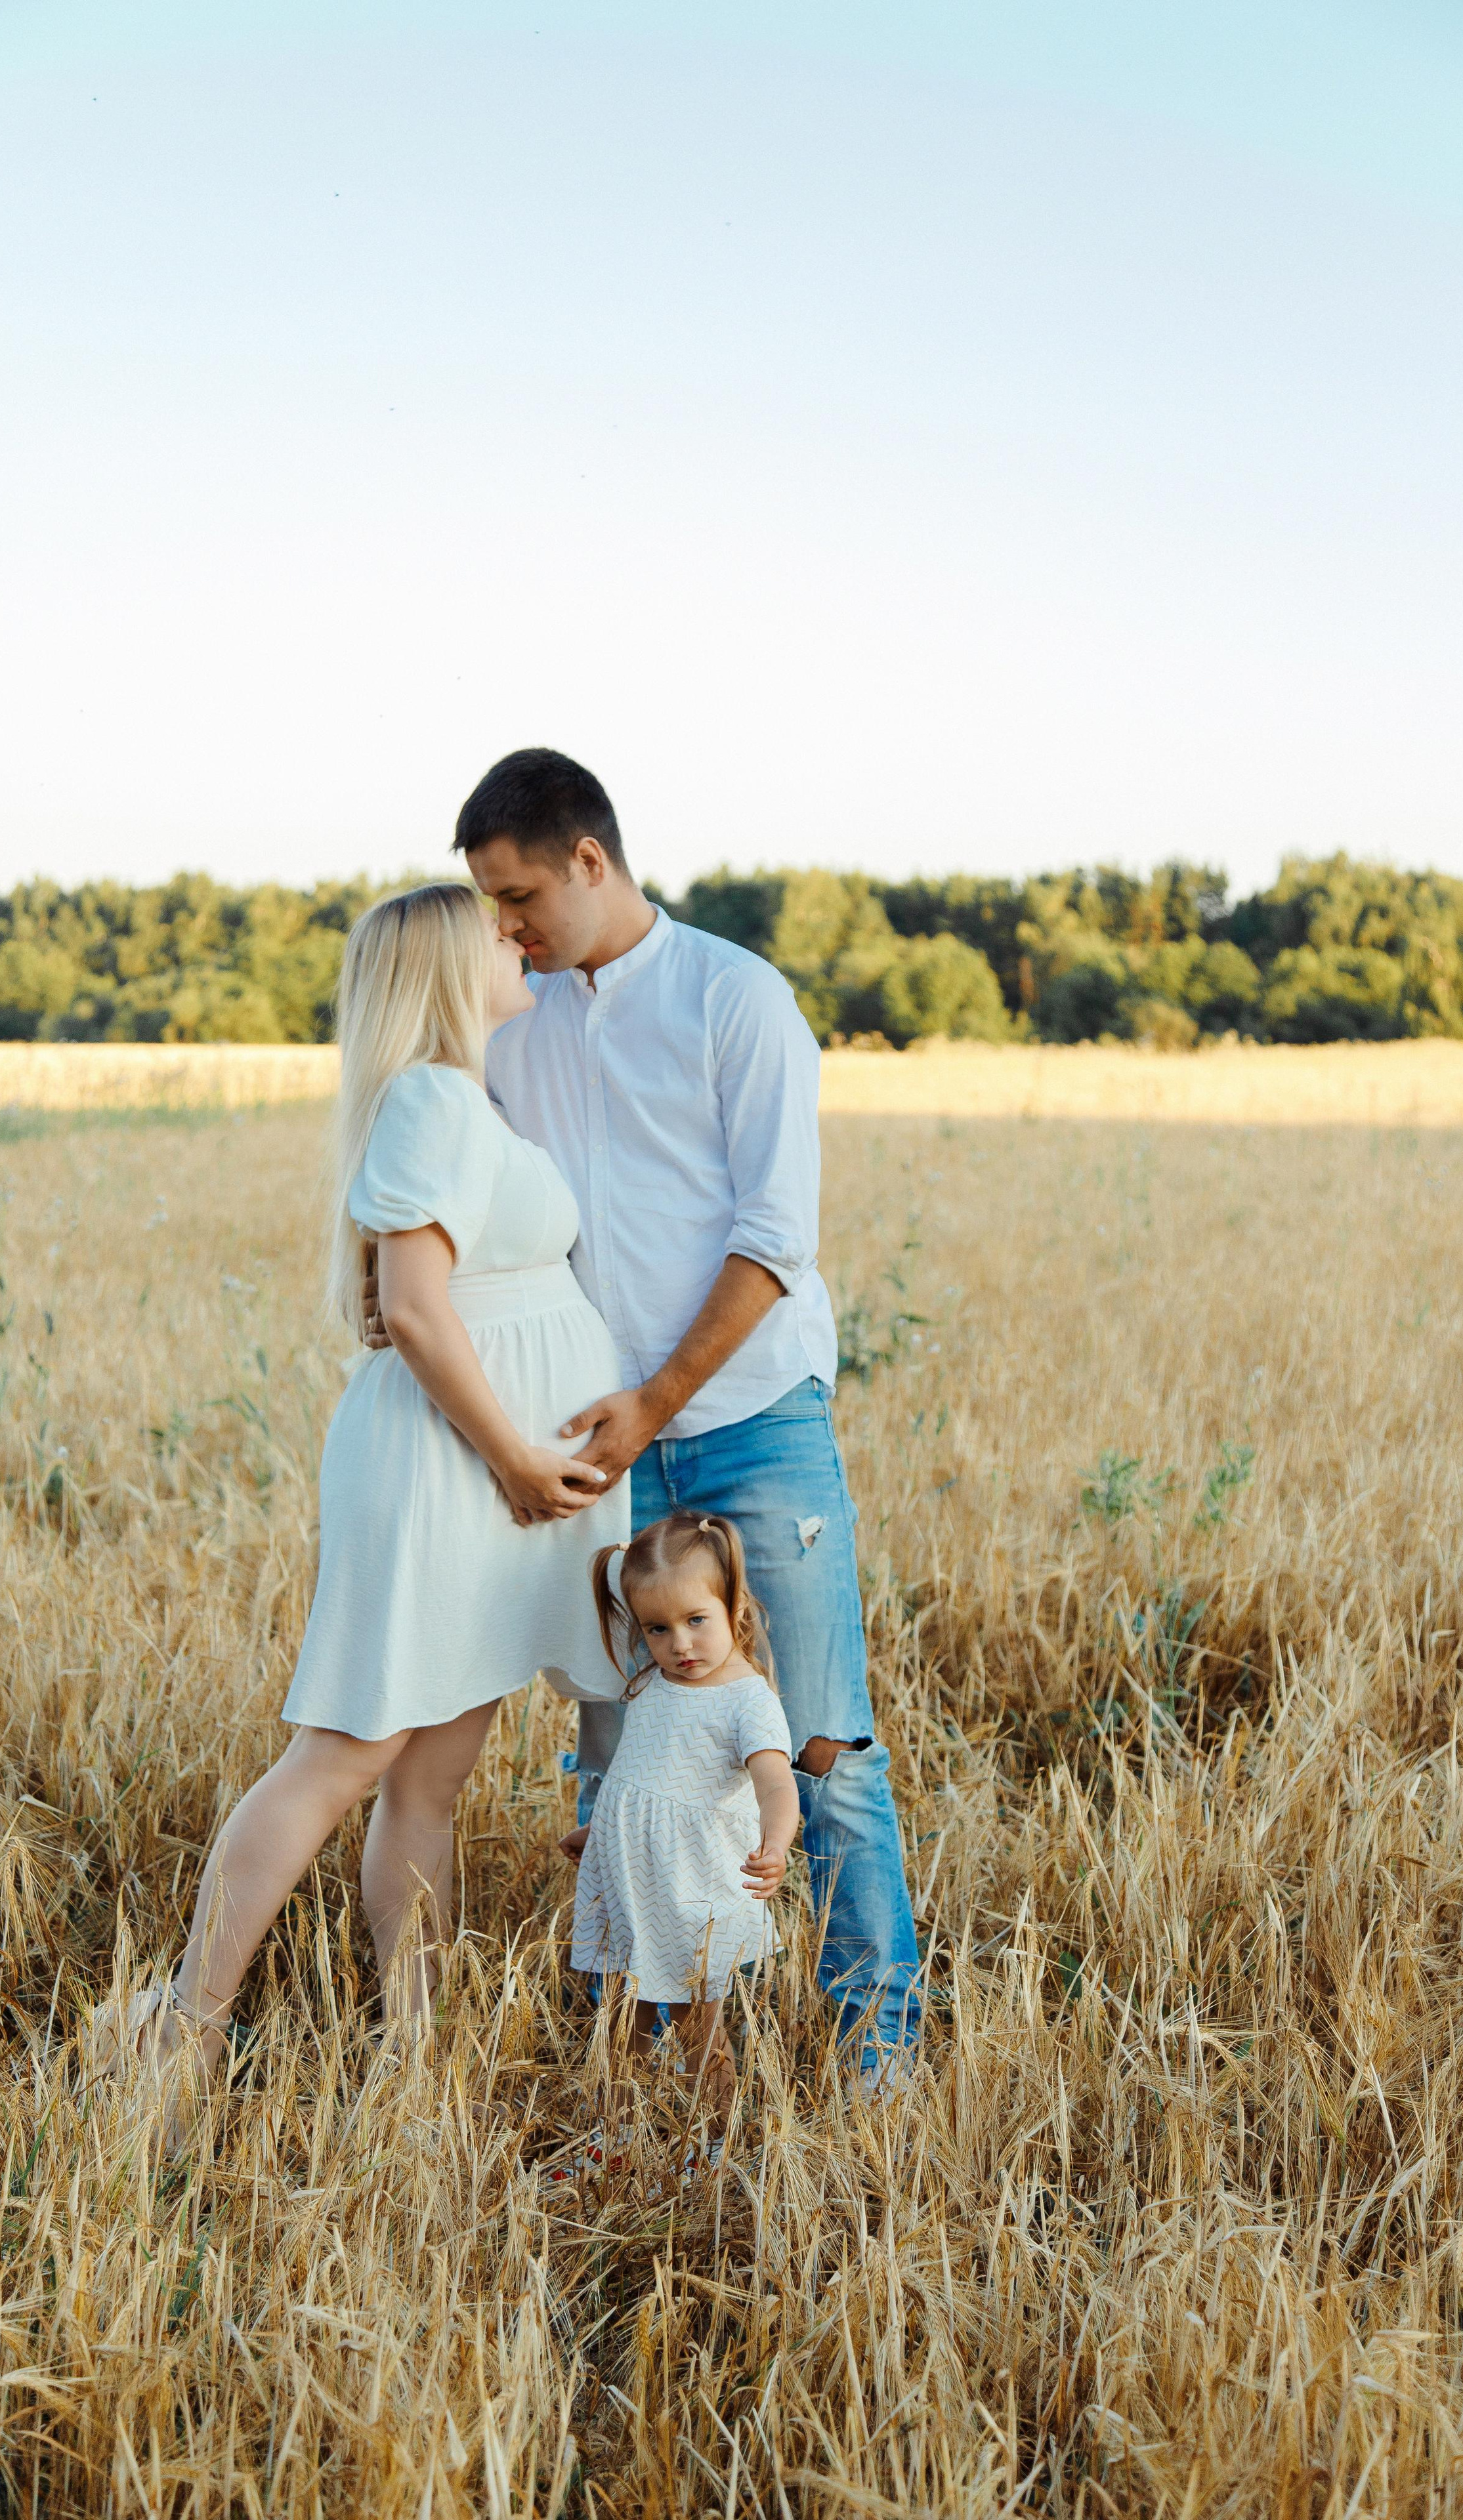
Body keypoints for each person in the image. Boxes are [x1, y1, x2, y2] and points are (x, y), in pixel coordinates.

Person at [383, 746, 922, 2078]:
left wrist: (657, 1401)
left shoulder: (737, 1000)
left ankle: (877, 2048)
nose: (502, 929)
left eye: (519, 897)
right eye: (487, 907)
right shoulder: (519, 1023)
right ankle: (633, 2026)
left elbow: (771, 1240)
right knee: (617, 1751)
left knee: (819, 1741)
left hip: (748, 1416)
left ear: (590, 861)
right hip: (592, 1447)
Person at [91, 882, 627, 2139]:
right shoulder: (437, 1100)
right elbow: (423, 1308)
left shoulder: (465, 1101)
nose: (519, 941)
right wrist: (510, 1456)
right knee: (346, 1753)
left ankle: (415, 2049)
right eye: (497, 932)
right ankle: (184, 2029)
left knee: (432, 1775)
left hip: (498, 1474)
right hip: (456, 1469)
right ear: (448, 967)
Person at [567, 1514, 801, 2131]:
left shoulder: (747, 1699)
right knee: (621, 2022)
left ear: (734, 1606)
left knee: (700, 2028)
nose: (681, 1644)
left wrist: (775, 1842)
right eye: (658, 1628)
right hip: (631, 1884)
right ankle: (613, 2138)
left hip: (693, 1889)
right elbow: (644, 1784)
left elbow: (777, 1784)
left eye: (697, 1620)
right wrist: (601, 1834)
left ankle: (716, 2142)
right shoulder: (652, 1684)